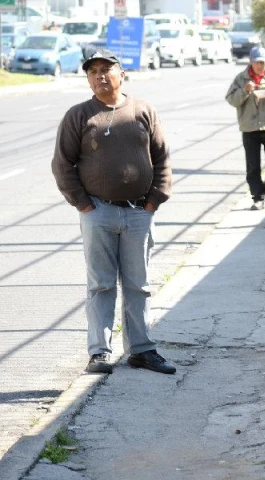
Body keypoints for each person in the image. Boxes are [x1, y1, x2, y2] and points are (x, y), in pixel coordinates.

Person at [51, 49, 176, 375]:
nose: (100, 76)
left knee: (139, 285)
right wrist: (83, 204)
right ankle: (99, 353)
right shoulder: (79, 115)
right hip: (98, 213)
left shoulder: (143, 110)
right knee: (101, 285)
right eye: (93, 72)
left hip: (138, 213)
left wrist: (153, 201)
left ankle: (141, 350)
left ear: (122, 73)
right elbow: (62, 164)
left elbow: (162, 157)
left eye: (106, 69)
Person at [226, 46, 265, 210]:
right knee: (253, 167)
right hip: (249, 128)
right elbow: (231, 100)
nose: (260, 66)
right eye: (257, 62)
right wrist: (245, 90)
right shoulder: (241, 78)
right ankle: (258, 197)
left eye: (262, 62)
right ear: (251, 61)